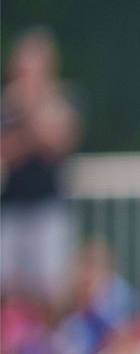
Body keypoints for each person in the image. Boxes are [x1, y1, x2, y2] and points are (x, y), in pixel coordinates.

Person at [0, 28, 81, 307]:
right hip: (12, 206)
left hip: (49, 207)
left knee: (51, 288)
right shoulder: (6, 105)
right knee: (10, 286)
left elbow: (59, 144)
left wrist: (30, 112)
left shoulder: (63, 99)